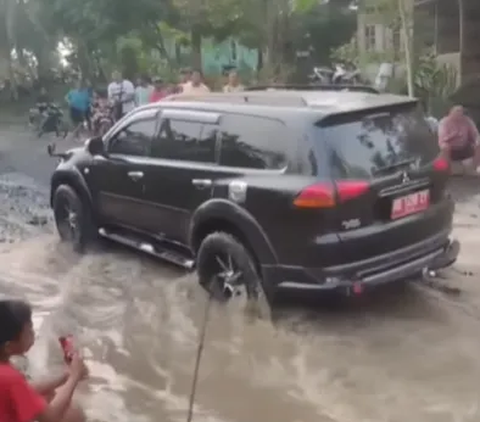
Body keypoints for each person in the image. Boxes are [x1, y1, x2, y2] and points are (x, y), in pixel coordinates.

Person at [0, 299, 88, 422]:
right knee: (72, 415)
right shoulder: (10, 377)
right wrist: (74, 377)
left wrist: (65, 377)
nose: (33, 334)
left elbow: (26, 390)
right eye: (29, 331)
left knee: (47, 394)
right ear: (9, 347)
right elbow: (51, 418)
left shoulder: (4, 367)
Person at [438, 105, 480, 172]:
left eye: (461, 113)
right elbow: (442, 139)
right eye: (457, 112)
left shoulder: (467, 120)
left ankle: (475, 168)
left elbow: (475, 134)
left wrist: (477, 140)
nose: (459, 115)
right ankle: (443, 170)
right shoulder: (444, 122)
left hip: (464, 146)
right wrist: (453, 135)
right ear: (451, 113)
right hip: (450, 147)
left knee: (479, 145)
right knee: (444, 148)